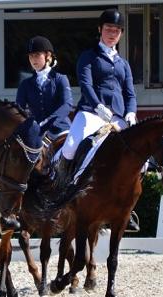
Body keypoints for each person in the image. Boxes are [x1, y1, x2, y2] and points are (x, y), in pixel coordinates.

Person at [59, 8, 140, 232]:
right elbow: (85, 84)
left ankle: (128, 208)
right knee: (70, 147)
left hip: (119, 119)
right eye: (108, 29)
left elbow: (130, 93)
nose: (112, 33)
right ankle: (63, 190)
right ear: (100, 30)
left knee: (138, 160)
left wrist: (131, 112)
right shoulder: (89, 56)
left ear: (121, 33)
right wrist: (98, 106)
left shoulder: (123, 63)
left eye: (116, 30)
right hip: (92, 113)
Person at [16, 36, 73, 143]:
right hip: (37, 133)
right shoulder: (25, 84)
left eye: (37, 55)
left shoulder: (60, 79)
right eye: (30, 56)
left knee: (70, 151)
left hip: (60, 130)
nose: (33, 59)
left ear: (48, 55)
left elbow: (67, 105)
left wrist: (47, 123)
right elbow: (19, 110)